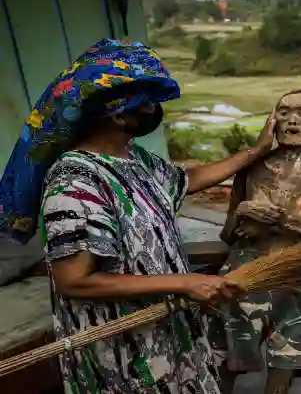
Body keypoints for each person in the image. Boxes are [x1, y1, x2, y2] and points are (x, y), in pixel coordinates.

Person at [0, 39, 277, 394]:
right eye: (147, 101)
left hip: (165, 335)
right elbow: (75, 281)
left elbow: (187, 180)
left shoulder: (136, 160)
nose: (153, 109)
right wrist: (185, 282)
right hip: (124, 353)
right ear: (117, 112)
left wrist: (255, 151)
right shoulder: (76, 181)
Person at [212, 90, 301, 394]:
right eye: (284, 112)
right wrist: (243, 212)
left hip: (294, 272)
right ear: (272, 121)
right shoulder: (252, 164)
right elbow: (227, 233)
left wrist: (284, 221)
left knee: (287, 356)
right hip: (245, 272)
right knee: (230, 351)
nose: (292, 121)